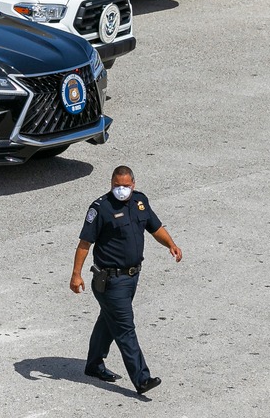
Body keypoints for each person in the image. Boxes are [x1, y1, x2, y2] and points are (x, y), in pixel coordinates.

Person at [70, 165, 182, 396]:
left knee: (108, 321)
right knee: (125, 328)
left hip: (132, 277)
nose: (121, 190)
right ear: (111, 184)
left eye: (126, 186)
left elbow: (155, 227)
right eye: (117, 186)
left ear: (134, 184)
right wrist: (76, 274)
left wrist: (171, 244)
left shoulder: (140, 202)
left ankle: (93, 365)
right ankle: (142, 379)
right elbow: (84, 244)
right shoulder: (100, 208)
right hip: (110, 280)